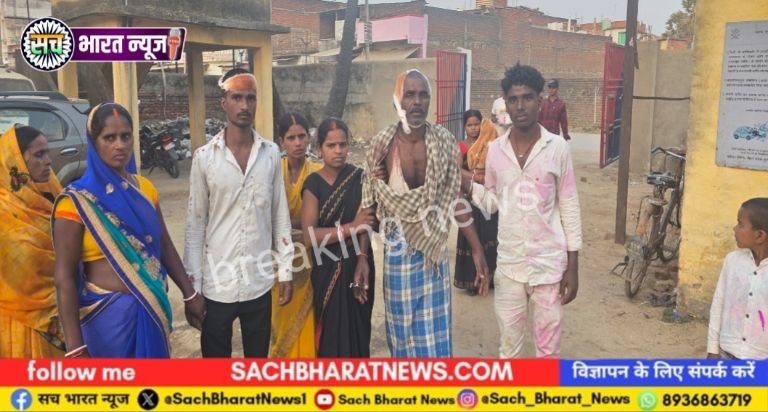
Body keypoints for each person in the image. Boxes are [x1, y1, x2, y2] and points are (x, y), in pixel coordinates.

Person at [53, 103, 204, 358]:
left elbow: (165, 245)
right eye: (109, 138)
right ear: (94, 142)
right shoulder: (76, 201)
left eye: (125, 136)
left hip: (151, 308)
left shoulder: (144, 189)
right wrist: (75, 347)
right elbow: (64, 277)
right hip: (105, 321)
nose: (119, 145)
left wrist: (190, 295)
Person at [362, 69, 489, 358]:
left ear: (430, 100)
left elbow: (455, 197)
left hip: (434, 252)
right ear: (398, 101)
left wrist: (477, 249)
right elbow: (369, 204)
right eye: (410, 94)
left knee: (436, 340)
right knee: (401, 337)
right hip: (397, 249)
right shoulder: (382, 145)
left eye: (423, 95)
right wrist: (361, 256)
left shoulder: (443, 141)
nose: (417, 102)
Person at [461, 64, 582, 358]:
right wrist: (465, 183)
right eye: (513, 99)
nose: (520, 106)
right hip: (510, 267)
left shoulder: (556, 148)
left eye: (527, 98)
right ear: (506, 103)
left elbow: (569, 206)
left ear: (539, 100)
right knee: (509, 350)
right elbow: (492, 202)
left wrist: (573, 267)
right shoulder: (496, 150)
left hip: (549, 267)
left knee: (548, 352)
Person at [184, 68, 293, 358]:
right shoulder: (204, 158)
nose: (244, 105)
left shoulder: (271, 154)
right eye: (237, 98)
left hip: (259, 281)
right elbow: (195, 226)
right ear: (224, 103)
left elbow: (279, 216)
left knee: (256, 364)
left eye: (250, 98)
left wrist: (285, 271)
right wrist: (192, 288)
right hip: (217, 284)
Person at [302, 117, 375, 357]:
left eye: (343, 144)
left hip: (359, 266)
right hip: (327, 270)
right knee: (332, 333)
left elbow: (366, 222)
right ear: (319, 149)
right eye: (331, 145)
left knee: (358, 326)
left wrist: (363, 257)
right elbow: (310, 236)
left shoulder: (359, 177)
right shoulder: (313, 184)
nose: (338, 151)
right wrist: (351, 227)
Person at [0, 125, 65, 358]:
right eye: (38, 155)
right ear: (15, 163)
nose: (48, 161)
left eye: (47, 153)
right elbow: (20, 277)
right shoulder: (5, 213)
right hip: (18, 321)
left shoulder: (54, 199)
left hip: (64, 318)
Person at [269, 112, 319, 358]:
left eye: (302, 136)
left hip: (309, 259)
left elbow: (321, 219)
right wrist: (299, 222)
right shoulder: (272, 172)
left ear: (309, 138)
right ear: (282, 141)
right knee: (279, 317)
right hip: (276, 259)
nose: (298, 143)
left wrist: (286, 222)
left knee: (307, 320)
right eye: (291, 138)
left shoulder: (318, 172)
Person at [707, 198, 768, 360]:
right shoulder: (733, 261)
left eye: (740, 224)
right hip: (727, 353)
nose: (734, 229)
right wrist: (713, 349)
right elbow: (718, 304)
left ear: (760, 235)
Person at [455, 111, 499, 296]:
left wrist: (486, 177)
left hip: (488, 195)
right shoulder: (461, 146)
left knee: (489, 234)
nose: (473, 128)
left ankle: (491, 278)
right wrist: (475, 177)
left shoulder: (490, 144)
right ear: (464, 127)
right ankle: (472, 281)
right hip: (470, 196)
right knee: (472, 237)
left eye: (476, 124)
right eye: (470, 125)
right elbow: (457, 170)